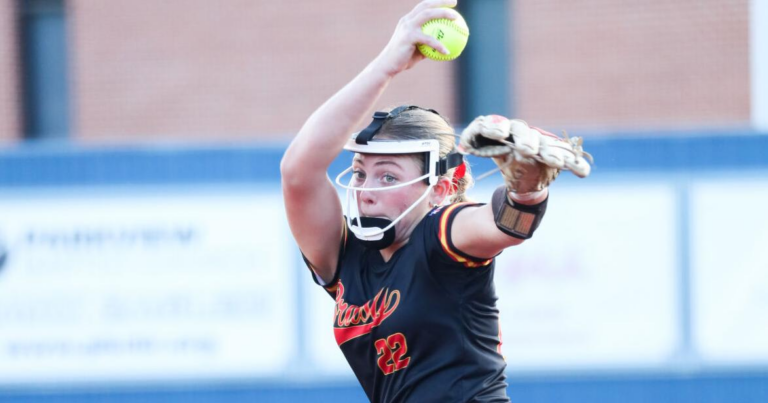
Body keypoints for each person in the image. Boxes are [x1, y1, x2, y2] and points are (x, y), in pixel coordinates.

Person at [280, 0, 590, 401]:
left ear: (440, 189)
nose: (366, 189)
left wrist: (527, 189)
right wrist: (386, 65)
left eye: (388, 175)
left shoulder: (441, 234)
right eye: (359, 172)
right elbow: (298, 172)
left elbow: (506, 223)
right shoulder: (345, 256)